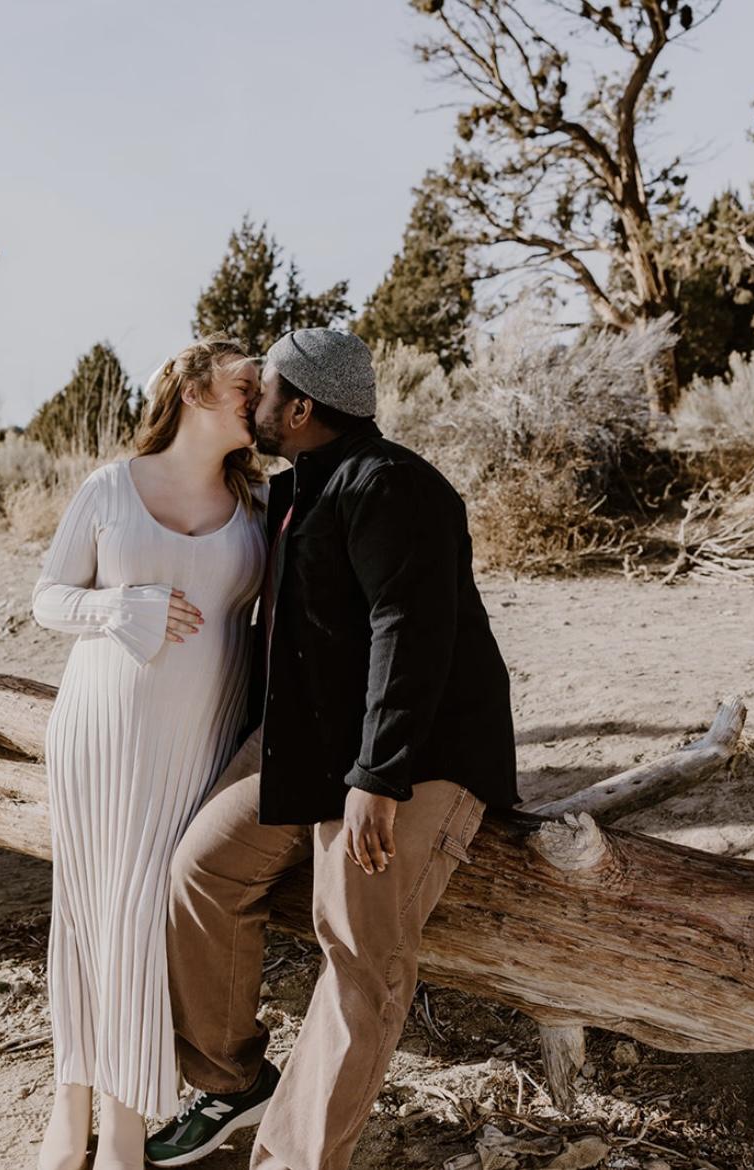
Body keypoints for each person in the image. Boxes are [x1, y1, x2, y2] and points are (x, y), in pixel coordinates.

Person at [146, 328, 519, 1170]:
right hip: (311, 744)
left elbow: (409, 633)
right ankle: (233, 1082)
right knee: (201, 872)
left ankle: (294, 1159)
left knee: (358, 953)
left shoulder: (394, 485)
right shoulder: (297, 489)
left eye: (266, 391)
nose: (254, 403)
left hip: (416, 757)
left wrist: (378, 777)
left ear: (302, 408)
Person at [30, 336, 268, 1170]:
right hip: (96, 732)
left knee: (140, 923)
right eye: (246, 386)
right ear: (195, 391)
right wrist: (116, 607)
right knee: (86, 918)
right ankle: (71, 1107)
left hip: (195, 741)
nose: (260, 400)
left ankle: (124, 1125)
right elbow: (47, 598)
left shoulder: (258, 503)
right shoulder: (109, 488)